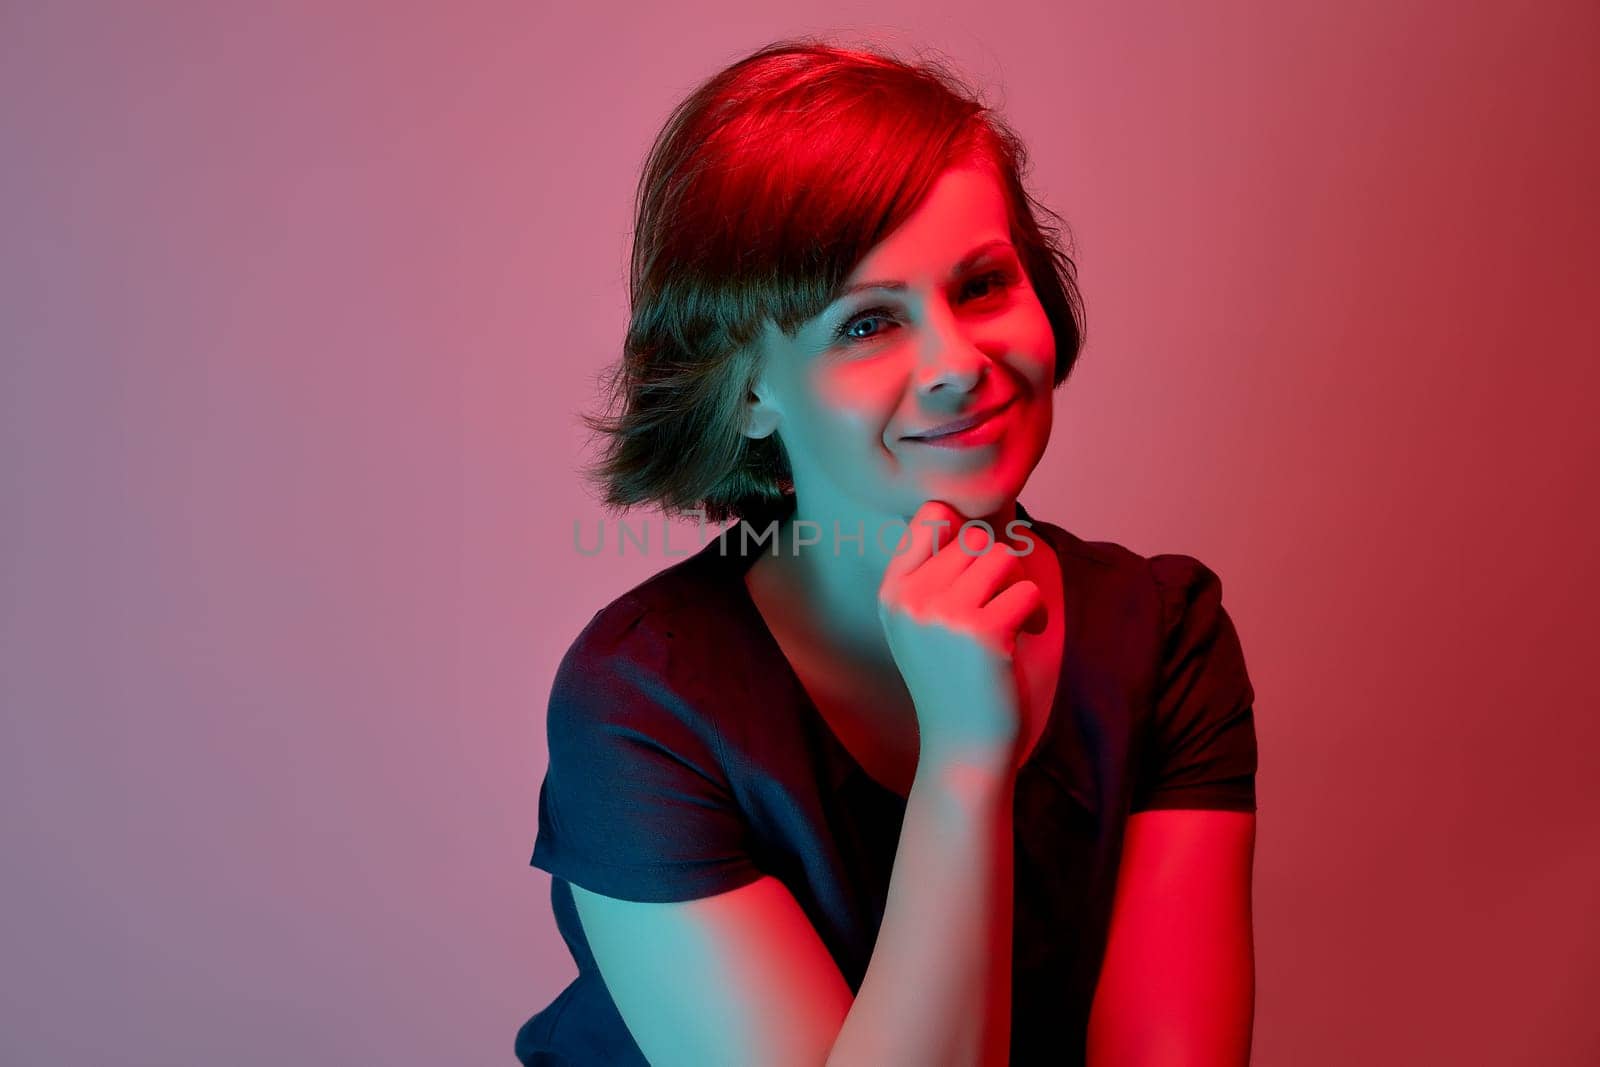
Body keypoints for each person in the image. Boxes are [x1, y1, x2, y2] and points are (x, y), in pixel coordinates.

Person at [516, 36, 1259, 1066]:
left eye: (984, 282)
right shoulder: (641, 700)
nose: (958, 363)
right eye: (867, 323)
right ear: (747, 389)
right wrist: (964, 757)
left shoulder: (1163, 637)